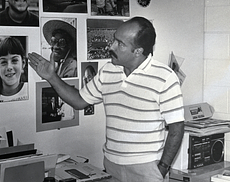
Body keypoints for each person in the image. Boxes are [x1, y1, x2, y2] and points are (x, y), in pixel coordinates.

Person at [28, 16, 184, 182]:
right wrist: (52, 77)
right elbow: (79, 100)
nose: (112, 46)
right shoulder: (108, 70)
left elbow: (177, 127)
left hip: (146, 170)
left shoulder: (165, 77)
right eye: (114, 39)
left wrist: (162, 169)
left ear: (138, 51)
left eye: (120, 44)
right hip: (112, 166)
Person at [0, 36, 28, 103]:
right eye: (4, 62)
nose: (9, 67)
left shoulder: (30, 89)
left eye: (14, 60)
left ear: (23, 63)